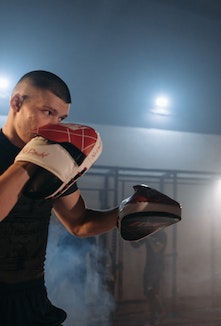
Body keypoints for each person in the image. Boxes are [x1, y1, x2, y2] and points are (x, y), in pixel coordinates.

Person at [0, 70, 180, 325]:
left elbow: (79, 223)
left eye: (61, 118)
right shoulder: (39, 155)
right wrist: (31, 160)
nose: (54, 125)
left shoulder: (52, 157)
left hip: (32, 292)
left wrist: (125, 212)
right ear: (16, 103)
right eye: (47, 112)